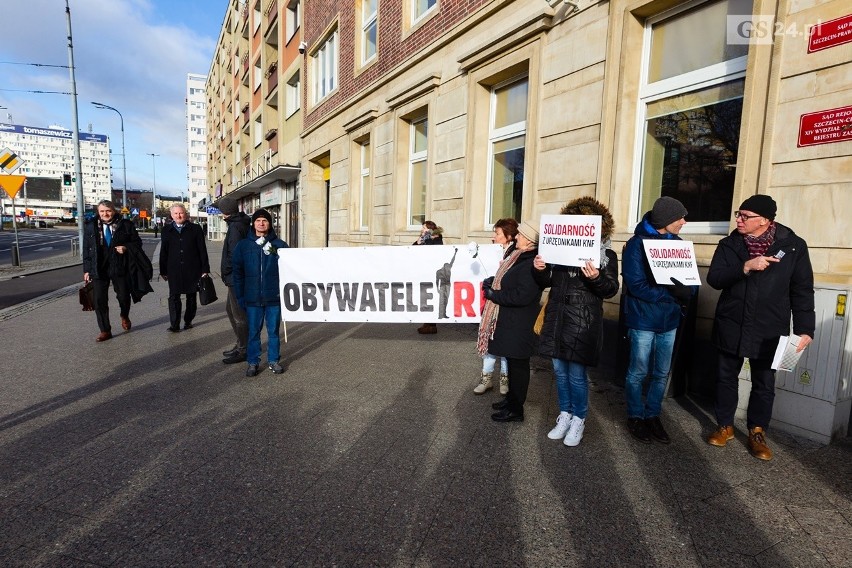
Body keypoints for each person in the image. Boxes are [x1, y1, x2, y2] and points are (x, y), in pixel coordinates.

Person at [706, 195, 814, 461]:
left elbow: (801, 290)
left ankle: (757, 432)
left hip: (771, 327)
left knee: (764, 382)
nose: (739, 220)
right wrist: (745, 266)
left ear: (765, 220)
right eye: (738, 215)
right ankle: (724, 426)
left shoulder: (793, 247)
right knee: (725, 377)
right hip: (732, 322)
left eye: (746, 216)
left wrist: (805, 329)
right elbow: (715, 278)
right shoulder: (729, 244)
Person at [533, 198, 620, 446]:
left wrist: (596, 277)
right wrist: (539, 268)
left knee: (577, 375)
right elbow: (546, 281)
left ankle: (579, 419)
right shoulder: (558, 252)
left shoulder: (607, 255)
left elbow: (611, 289)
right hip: (558, 318)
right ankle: (565, 414)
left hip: (583, 322)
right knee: (559, 372)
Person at [622, 196, 696, 444]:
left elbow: (689, 280)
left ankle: (652, 415)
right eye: (680, 218)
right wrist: (670, 295)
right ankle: (635, 415)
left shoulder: (679, 244)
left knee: (661, 373)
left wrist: (688, 292)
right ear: (666, 220)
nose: (684, 222)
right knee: (638, 372)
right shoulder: (636, 245)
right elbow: (636, 285)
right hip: (643, 319)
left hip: (670, 321)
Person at [480, 220, 543, 422]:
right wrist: (492, 281)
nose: (516, 237)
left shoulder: (532, 262)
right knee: (513, 363)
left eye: (521, 235)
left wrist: (493, 295)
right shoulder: (518, 256)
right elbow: (506, 280)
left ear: (530, 241)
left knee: (518, 366)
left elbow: (521, 296)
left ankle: (516, 409)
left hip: (520, 323)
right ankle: (510, 401)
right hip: (511, 322)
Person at [232, 209, 290, 377]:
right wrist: (240, 295)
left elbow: (290, 268)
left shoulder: (280, 245)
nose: (261, 223)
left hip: (274, 298)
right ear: (253, 223)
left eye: (265, 220)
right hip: (252, 298)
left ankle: (273, 360)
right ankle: (253, 362)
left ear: (270, 224)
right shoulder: (243, 245)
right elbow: (237, 271)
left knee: (273, 332)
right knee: (254, 332)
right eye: (258, 220)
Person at [82, 200, 147, 342]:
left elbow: (137, 243)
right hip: (99, 267)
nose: (105, 214)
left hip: (119, 265)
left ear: (114, 211)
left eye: (108, 211)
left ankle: (124, 315)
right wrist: (87, 270)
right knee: (99, 300)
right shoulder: (91, 226)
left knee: (123, 296)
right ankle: (105, 330)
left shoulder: (125, 225)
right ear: (98, 212)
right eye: (102, 211)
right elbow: (86, 249)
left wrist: (126, 247)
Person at [473, 218, 517, 396]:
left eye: (498, 233)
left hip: (504, 306)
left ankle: (504, 380)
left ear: (508, 236)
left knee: (504, 345)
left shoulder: (515, 254)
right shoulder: (495, 252)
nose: (494, 237)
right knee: (489, 342)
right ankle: (487, 379)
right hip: (492, 306)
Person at [159, 204, 210, 332]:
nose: (179, 216)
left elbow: (202, 250)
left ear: (185, 214)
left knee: (191, 297)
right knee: (174, 297)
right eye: (175, 213)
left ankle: (188, 321)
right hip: (174, 269)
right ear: (171, 215)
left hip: (192, 268)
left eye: (181, 213)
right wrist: (163, 270)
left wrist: (205, 269)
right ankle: (174, 324)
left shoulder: (196, 229)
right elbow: (163, 251)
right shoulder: (166, 230)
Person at [218, 197, 252, 364]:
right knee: (231, 310)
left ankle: (244, 349)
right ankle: (241, 343)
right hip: (236, 276)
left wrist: (228, 270)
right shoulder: (238, 223)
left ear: (225, 211)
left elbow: (235, 253)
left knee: (239, 315)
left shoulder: (236, 226)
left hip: (236, 278)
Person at [413, 220, 444, 333]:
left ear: (430, 229)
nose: (422, 230)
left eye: (424, 228)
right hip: (423, 272)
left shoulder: (437, 239)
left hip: (432, 274)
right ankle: (427, 323)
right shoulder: (425, 239)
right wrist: (418, 242)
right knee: (424, 298)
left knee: (430, 298)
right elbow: (411, 250)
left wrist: (428, 239)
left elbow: (435, 252)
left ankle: (431, 325)